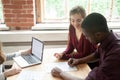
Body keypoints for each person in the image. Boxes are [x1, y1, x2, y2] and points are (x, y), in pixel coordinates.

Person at [51, 13, 120, 80]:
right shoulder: (109, 37)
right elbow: (96, 54)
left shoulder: (115, 55)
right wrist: (79, 61)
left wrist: (61, 73)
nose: (86, 38)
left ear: (98, 35)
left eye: (87, 36)